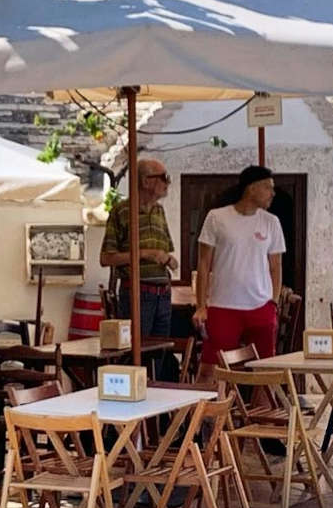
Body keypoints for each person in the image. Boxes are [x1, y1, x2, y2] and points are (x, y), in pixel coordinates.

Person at [193, 165, 286, 378]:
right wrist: (201, 306)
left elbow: (275, 266)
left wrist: (273, 301)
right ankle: (205, 411)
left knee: (265, 369)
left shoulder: (271, 222)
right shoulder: (217, 217)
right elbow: (204, 263)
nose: (272, 193)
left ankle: (261, 411)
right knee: (210, 367)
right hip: (222, 306)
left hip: (261, 306)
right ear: (251, 189)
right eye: (267, 187)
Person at [100, 158, 178, 340]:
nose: (168, 183)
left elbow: (166, 252)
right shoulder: (121, 212)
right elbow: (106, 258)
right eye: (164, 177)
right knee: (137, 350)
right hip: (138, 294)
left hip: (163, 294)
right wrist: (145, 254)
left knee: (160, 352)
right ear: (146, 181)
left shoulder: (159, 211)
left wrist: (169, 260)